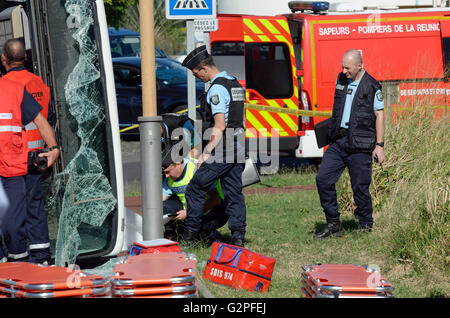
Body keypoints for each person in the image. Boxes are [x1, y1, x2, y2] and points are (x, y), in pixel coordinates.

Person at [314, 49, 385, 239]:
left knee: (360, 187)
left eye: (348, 67)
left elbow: (379, 115)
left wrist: (380, 145)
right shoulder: (341, 79)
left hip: (361, 144)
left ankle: (365, 226)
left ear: (359, 65)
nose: (344, 70)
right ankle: (334, 224)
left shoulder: (372, 86)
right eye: (342, 66)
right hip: (339, 141)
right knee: (323, 179)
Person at [181, 45, 247, 247]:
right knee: (233, 191)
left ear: (203, 68)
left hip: (224, 146)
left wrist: (206, 153)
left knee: (195, 187)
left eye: (195, 74)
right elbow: (241, 118)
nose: (196, 77)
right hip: (239, 143)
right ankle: (238, 236)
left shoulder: (217, 89)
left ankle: (191, 235)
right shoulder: (234, 83)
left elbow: (219, 125)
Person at [1, 38, 53, 264]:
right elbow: (46, 118)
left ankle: (17, 259)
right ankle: (41, 258)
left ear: (4, 59)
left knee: (16, 213)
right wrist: (53, 148)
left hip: (15, 157)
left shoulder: (8, 84)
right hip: (38, 156)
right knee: (35, 209)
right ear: (26, 57)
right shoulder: (38, 82)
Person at [161, 146, 228, 244]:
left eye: (168, 172)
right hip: (190, 210)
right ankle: (171, 235)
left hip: (215, 208)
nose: (166, 176)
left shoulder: (197, 169)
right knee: (162, 208)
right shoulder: (169, 178)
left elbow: (215, 199)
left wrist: (189, 213)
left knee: (200, 235)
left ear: (178, 164)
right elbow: (161, 201)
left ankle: (214, 236)